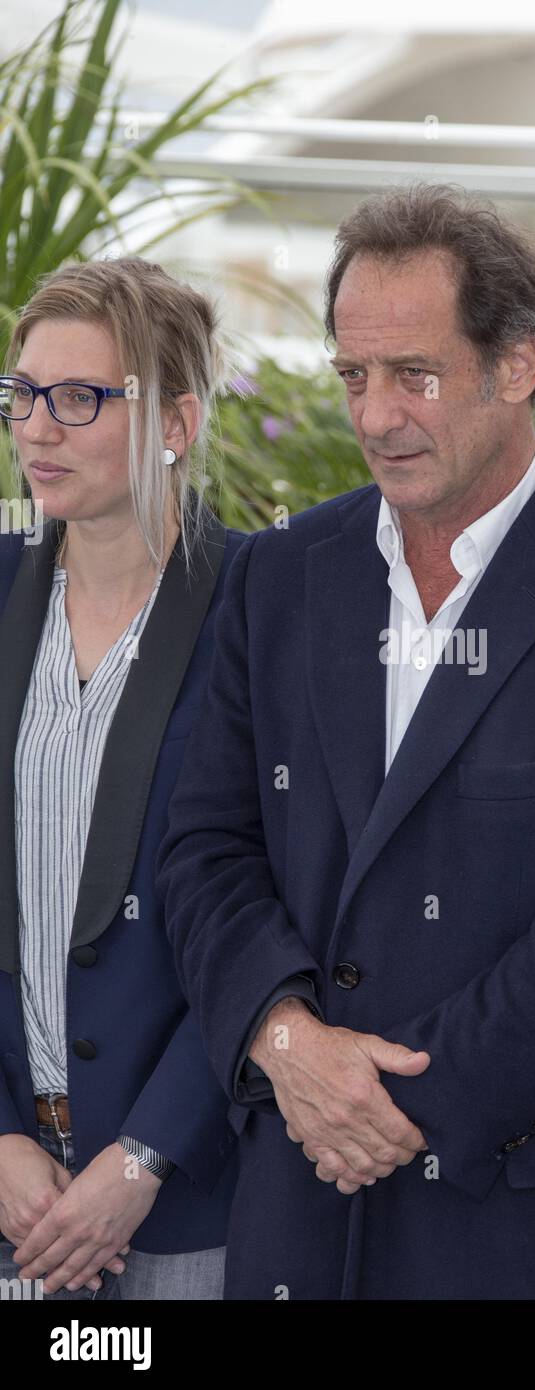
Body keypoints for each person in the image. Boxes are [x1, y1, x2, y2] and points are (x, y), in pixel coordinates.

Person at [158, 184, 535, 1301]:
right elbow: (203, 850)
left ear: (516, 364)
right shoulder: (277, 580)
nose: (374, 415)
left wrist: (378, 1107)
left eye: (412, 375)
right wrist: (288, 1044)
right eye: (352, 376)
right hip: (301, 1221)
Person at [0, 257, 244, 1299]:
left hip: (185, 1195)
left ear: (176, 421)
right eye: (22, 395)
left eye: (80, 397)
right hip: (15, 1198)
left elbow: (277, 918)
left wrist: (144, 1153)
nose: (36, 429)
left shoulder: (259, 614)